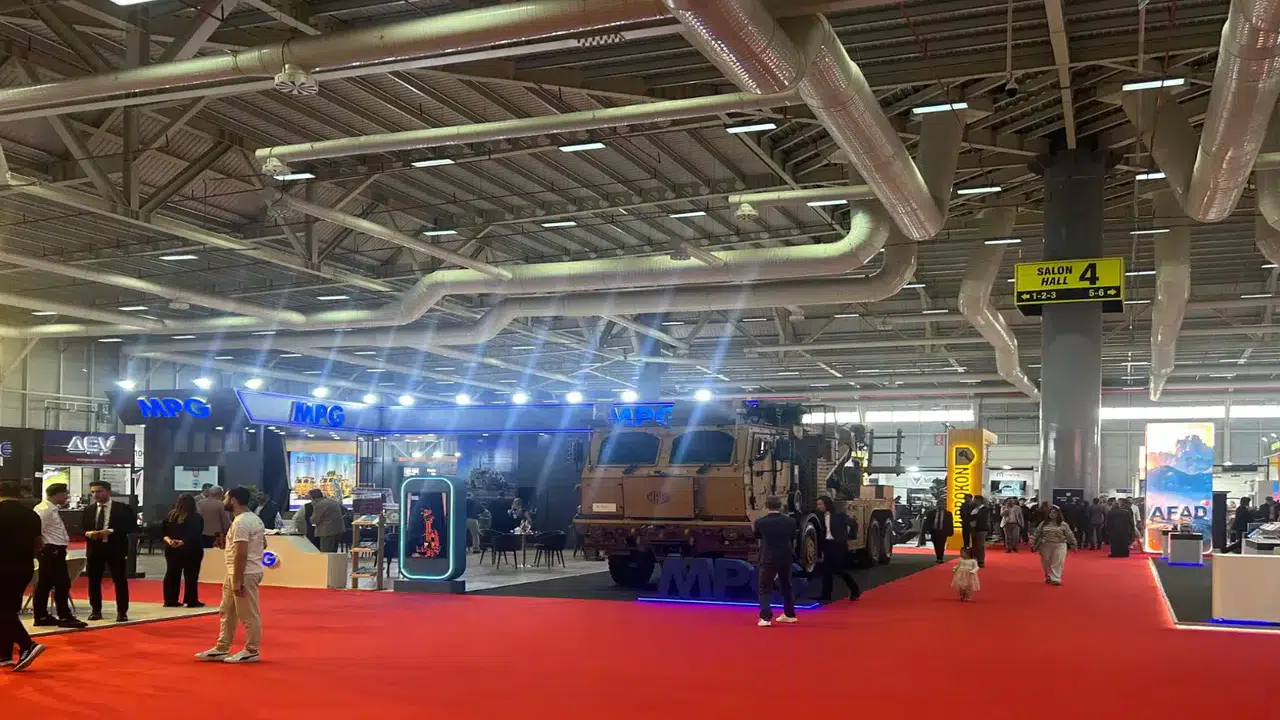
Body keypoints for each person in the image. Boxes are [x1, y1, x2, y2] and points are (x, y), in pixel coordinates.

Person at [196, 486, 265, 664]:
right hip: (238, 571)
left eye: (226, 497)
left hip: (243, 573)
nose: (223, 501)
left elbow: (241, 553)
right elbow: (261, 544)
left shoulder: (241, 522)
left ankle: (251, 650)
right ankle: (222, 647)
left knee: (247, 613)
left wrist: (238, 579)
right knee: (227, 610)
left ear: (233, 500)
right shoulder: (253, 519)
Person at [0, 481, 46, 671]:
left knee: (3, 610)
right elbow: (39, 543)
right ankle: (4, 653)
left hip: (2, 567)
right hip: (24, 567)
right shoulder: (32, 515)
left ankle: (27, 644)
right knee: (9, 609)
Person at [31, 483, 87, 629]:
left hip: (54, 549)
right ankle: (64, 616)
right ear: (57, 494)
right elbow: (37, 530)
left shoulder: (51, 509)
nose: (66, 497)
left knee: (46, 584)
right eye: (65, 494)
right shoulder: (44, 510)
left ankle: (42, 616)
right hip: (51, 550)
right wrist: (43, 548)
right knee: (61, 583)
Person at [81, 480, 136, 622]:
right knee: (94, 581)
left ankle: (122, 612)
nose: (95, 495)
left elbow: (131, 526)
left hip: (116, 549)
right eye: (93, 492)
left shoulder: (123, 508)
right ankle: (95, 610)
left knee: (120, 580)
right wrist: (88, 533)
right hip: (95, 549)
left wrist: (111, 531)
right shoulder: (89, 510)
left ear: (108, 492)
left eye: (99, 491)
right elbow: (82, 528)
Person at [752, 496, 797, 627]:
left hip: (768, 557)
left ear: (766, 506)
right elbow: (793, 536)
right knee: (786, 585)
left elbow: (757, 536)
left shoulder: (760, 522)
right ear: (780, 506)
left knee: (764, 588)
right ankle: (790, 615)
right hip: (786, 557)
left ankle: (766, 618)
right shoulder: (791, 521)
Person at [163, 494, 205, 608]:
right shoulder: (195, 517)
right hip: (191, 549)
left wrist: (170, 541)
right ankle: (191, 600)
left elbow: (163, 532)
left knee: (172, 573)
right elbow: (196, 533)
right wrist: (183, 542)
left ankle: (170, 599)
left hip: (172, 549)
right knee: (191, 575)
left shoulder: (170, 516)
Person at [815, 495, 860, 602]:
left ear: (827, 504)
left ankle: (855, 590)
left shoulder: (840, 515)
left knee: (840, 570)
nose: (818, 506)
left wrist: (850, 537)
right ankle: (826, 595)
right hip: (827, 545)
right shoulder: (819, 516)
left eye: (820, 504)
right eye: (818, 504)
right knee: (826, 572)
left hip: (838, 546)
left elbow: (854, 524)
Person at [967, 495, 990, 568]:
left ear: (979, 501)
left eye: (974, 500)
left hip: (981, 529)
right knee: (974, 546)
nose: (973, 501)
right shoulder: (973, 509)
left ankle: (981, 561)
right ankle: (974, 560)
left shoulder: (985, 509)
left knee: (980, 546)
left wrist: (972, 518)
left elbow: (981, 518)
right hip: (973, 529)